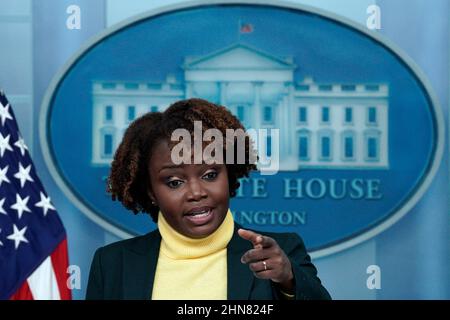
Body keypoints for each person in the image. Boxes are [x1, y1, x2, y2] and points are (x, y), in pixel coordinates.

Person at [86, 98, 331, 300]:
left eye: (210, 174)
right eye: (174, 182)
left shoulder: (280, 252)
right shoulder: (112, 264)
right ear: (151, 192)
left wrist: (288, 280)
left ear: (229, 173)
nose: (196, 192)